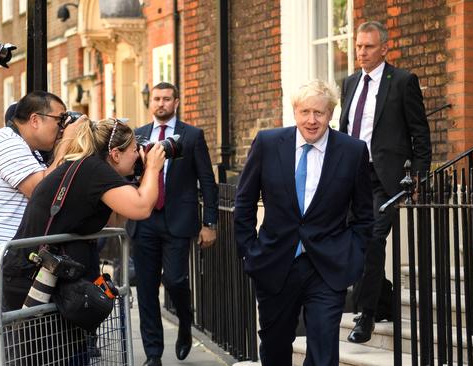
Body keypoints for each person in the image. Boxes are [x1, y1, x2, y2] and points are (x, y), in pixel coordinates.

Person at [234, 80, 374, 366]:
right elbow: (244, 202)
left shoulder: (352, 151)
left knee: (323, 351)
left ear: (331, 114)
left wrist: (353, 254)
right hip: (275, 263)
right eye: (305, 112)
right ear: (295, 111)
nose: (312, 120)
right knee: (275, 347)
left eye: (319, 113)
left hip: (327, 266)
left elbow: (363, 215)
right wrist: (250, 251)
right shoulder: (268, 143)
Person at [1, 118, 165, 310]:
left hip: (42, 273)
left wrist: (141, 175)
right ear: (115, 154)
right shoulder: (94, 170)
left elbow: (117, 219)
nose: (139, 155)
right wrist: (153, 168)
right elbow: (141, 208)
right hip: (30, 277)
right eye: (135, 150)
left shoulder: (90, 167)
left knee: (68, 339)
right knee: (40, 340)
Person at [340, 21, 432, 344]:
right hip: (352, 178)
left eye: (368, 47)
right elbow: (344, 130)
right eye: (358, 46)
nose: (361, 52)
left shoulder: (403, 82)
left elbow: (420, 133)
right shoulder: (350, 83)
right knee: (352, 245)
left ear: (384, 48)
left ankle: (365, 316)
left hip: (385, 180)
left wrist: (417, 176)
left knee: (372, 240)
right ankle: (388, 301)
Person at [0, 91, 81, 315]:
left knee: (16, 345)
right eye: (59, 120)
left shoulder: (27, 149)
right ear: (35, 119)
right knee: (12, 345)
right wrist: (69, 141)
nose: (62, 127)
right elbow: (42, 191)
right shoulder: (6, 144)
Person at [130, 82, 218, 366]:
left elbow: (207, 181)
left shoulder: (192, 136)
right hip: (144, 220)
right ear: (150, 102)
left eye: (167, 99)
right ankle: (153, 354)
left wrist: (210, 223)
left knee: (176, 279)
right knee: (145, 288)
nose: (161, 104)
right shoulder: (138, 135)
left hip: (178, 220)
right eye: (156, 99)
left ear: (176, 102)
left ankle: (184, 321)